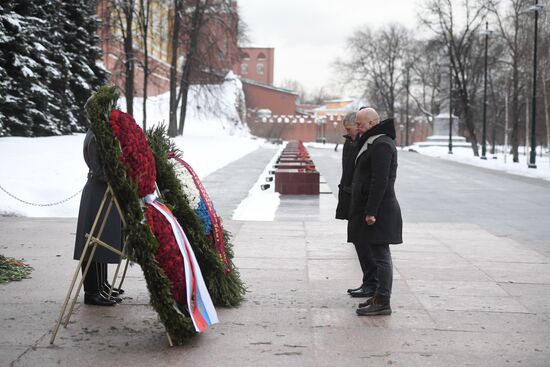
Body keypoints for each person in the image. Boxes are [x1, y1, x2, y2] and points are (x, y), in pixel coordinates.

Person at [348, 107, 402, 316]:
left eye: (361, 124)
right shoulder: (374, 141)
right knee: (378, 254)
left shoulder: (381, 144)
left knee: (381, 256)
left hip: (381, 210)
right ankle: (379, 296)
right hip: (374, 208)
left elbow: (381, 180)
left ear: (371, 123)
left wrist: (371, 211)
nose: (358, 128)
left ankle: (383, 301)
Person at [74, 129, 124, 306]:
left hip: (102, 192)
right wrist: (121, 176)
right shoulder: (96, 136)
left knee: (100, 241)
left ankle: (101, 285)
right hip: (98, 192)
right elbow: (100, 170)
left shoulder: (98, 132)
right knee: (93, 243)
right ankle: (92, 292)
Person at [335, 112, 377, 298]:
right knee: (357, 241)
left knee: (364, 243)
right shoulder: (350, 142)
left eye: (352, 127)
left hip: (360, 198)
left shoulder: (367, 144)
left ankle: (372, 284)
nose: (351, 131)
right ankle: (368, 283)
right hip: (349, 195)